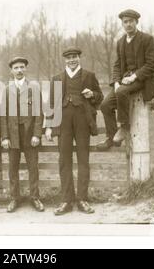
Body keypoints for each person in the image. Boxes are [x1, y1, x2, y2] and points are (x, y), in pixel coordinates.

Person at [45, 47, 103, 216]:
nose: (72, 60)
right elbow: (50, 104)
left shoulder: (89, 76)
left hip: (83, 120)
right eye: (69, 57)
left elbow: (100, 97)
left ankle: (82, 199)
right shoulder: (57, 78)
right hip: (63, 122)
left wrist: (92, 93)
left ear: (79, 58)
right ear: (65, 60)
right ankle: (66, 200)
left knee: (83, 158)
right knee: (64, 159)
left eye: (75, 57)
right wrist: (49, 126)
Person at [97, 9, 154, 151]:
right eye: (125, 22)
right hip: (124, 81)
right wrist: (116, 82)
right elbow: (117, 64)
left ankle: (124, 127)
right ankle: (111, 137)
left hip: (142, 80)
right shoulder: (120, 42)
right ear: (122, 24)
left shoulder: (147, 39)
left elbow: (152, 65)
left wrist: (133, 77)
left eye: (131, 21)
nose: (128, 25)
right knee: (105, 105)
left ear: (136, 22)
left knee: (121, 92)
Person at [0, 57, 45, 213]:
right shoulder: (6, 90)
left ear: (26, 69)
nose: (19, 70)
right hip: (13, 135)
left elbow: (39, 114)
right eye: (16, 68)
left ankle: (35, 197)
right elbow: (3, 116)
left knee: (33, 167)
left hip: (29, 134)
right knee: (13, 168)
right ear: (11, 71)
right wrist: (5, 137)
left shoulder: (34, 88)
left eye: (22, 67)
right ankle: (14, 198)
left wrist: (37, 134)